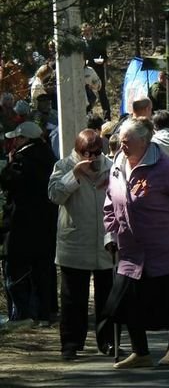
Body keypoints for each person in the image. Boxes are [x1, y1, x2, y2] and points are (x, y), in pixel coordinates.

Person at [103, 117, 169, 368]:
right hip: (131, 249)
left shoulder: (166, 167)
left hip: (167, 247)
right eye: (120, 142)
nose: (122, 147)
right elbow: (109, 203)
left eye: (127, 142)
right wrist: (111, 234)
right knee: (128, 301)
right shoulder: (117, 165)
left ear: (144, 141)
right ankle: (140, 352)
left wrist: (167, 215)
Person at [48, 129, 116, 360]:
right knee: (72, 297)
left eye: (97, 152)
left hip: (105, 240)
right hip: (75, 241)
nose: (93, 158)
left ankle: (107, 340)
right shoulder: (64, 165)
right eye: (87, 153)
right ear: (78, 151)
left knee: (107, 296)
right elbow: (54, 196)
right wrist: (74, 176)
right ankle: (70, 343)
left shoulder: (112, 166)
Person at [1, 121, 57, 326]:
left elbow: (8, 182)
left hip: (22, 223)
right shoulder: (50, 157)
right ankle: (46, 312)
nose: (14, 141)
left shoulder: (21, 160)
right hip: (47, 222)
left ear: (24, 139)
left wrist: (9, 163)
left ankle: (22, 314)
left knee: (16, 270)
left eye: (17, 138)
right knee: (44, 270)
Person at [82, 23, 111, 120]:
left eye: (88, 31)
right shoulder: (80, 44)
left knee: (102, 93)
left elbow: (105, 58)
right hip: (85, 72)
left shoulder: (98, 43)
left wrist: (101, 61)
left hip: (98, 70)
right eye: (85, 31)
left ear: (92, 31)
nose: (87, 33)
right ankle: (89, 116)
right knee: (87, 93)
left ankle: (107, 116)